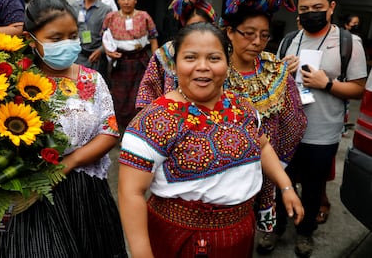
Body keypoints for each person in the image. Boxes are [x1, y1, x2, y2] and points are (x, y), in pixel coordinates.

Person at [118, 22, 304, 258]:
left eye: (214, 58)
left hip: (240, 230)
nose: (203, 67)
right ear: (175, 65)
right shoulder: (153, 120)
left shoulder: (242, 107)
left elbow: (263, 145)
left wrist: (286, 186)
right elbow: (130, 192)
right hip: (180, 237)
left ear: (227, 64)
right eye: (191, 57)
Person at [0, 0, 128, 258]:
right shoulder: (12, 83)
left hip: (87, 196)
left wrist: (71, 162)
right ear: (30, 40)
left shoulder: (92, 78)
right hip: (34, 198)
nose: (67, 44)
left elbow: (110, 130)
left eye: (72, 36)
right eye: (56, 38)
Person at [265, 0, 368, 257]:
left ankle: (305, 232)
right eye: (305, 9)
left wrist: (328, 84)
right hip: (286, 131)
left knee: (312, 188)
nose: (311, 13)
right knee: (280, 183)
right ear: (298, 11)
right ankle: (276, 228)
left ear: (331, 8)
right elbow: (271, 85)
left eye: (318, 8)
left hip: (322, 133)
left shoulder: (349, 43)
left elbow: (358, 89)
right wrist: (280, 73)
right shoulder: (289, 40)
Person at [219, 0, 307, 251]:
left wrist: (277, 161)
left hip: (268, 168)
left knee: (246, 236)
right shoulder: (213, 68)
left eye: (264, 35)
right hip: (221, 170)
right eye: (248, 33)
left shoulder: (275, 69)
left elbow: (295, 119)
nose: (256, 42)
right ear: (229, 32)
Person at [135, 0, 217, 109]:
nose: (200, 32)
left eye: (204, 26)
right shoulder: (167, 52)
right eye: (193, 27)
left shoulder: (222, 52)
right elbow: (148, 90)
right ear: (183, 27)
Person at [102, 0, 158, 129]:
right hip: (119, 63)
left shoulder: (144, 16)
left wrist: (155, 60)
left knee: (139, 96)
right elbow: (104, 37)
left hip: (140, 62)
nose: (126, 1)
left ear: (135, 0)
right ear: (118, 0)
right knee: (120, 98)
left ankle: (137, 129)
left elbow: (153, 38)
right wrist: (108, 52)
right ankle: (121, 130)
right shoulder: (110, 17)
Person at [72, 0, 112, 83]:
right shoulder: (74, 7)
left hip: (97, 55)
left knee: (96, 87)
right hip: (78, 54)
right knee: (78, 86)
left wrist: (101, 50)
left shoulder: (106, 9)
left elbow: (110, 35)